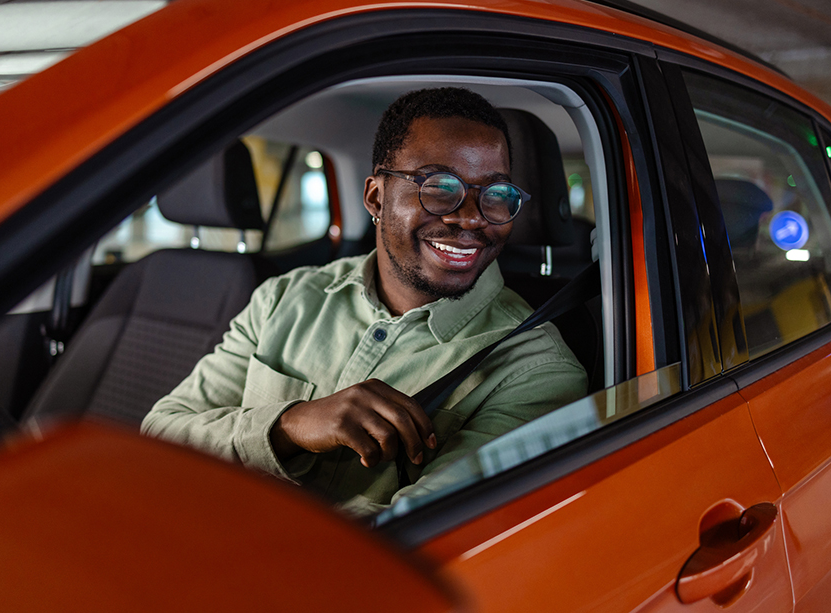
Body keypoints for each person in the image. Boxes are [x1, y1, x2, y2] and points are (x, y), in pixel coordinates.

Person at [142, 87, 587, 515]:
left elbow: (418, 536)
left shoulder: (535, 370)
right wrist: (288, 426)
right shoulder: (285, 297)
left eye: (497, 195)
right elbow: (160, 434)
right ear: (376, 197)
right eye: (438, 187)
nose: (471, 217)